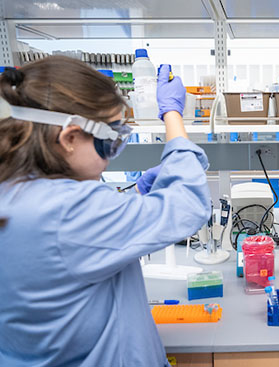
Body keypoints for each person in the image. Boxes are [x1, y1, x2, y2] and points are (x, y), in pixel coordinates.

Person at [0, 57, 211, 366]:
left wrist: (135, 194)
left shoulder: (14, 191)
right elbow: (188, 206)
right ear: (69, 138)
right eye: (109, 142)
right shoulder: (70, 210)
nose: (111, 156)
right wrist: (173, 117)